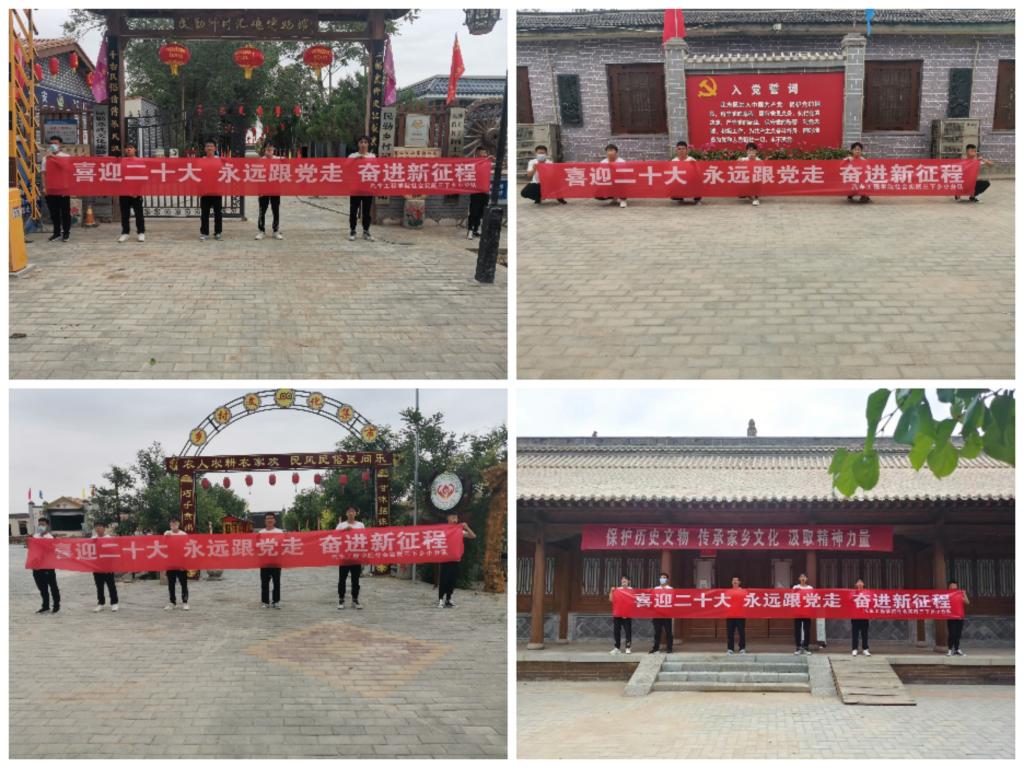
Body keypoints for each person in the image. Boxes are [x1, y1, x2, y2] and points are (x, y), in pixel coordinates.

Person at [438, 512, 476, 608]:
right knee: (444, 579)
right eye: (453, 517)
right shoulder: (443, 529)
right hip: (445, 558)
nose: (455, 520)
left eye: (456, 518)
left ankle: (448, 599)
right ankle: (441, 599)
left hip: (455, 559)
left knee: (452, 580)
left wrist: (466, 527)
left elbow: (473, 536)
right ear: (448, 518)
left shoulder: (459, 531)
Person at [42, 135, 72, 242]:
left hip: (63, 189)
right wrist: (44, 187)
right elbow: (44, 173)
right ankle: (56, 233)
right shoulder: (45, 158)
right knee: (54, 213)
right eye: (51, 143)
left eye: (55, 143)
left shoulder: (66, 156)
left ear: (60, 144)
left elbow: (67, 169)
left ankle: (66, 233)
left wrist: (53, 158)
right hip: (51, 189)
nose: (53, 145)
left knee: (65, 213)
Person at [335, 506, 364, 610]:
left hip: (356, 556)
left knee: (355, 580)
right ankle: (341, 599)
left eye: (353, 511)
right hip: (344, 556)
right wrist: (344, 531)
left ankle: (355, 599)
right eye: (349, 511)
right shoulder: (341, 525)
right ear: (346, 513)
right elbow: (334, 536)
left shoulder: (360, 525)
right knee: (342, 579)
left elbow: (364, 537)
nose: (351, 513)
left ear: (355, 513)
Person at [347, 135, 376, 242]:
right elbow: (345, 167)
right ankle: (353, 230)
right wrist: (355, 159)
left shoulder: (372, 156)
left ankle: (366, 231)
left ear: (368, 144)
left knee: (366, 211)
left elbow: (376, 170)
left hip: (367, 188)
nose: (363, 144)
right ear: (358, 144)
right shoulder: (352, 155)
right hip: (355, 187)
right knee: (353, 210)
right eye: (361, 142)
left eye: (365, 142)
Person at [117, 144, 146, 243]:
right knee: (125, 214)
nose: (128, 149)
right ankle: (125, 232)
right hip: (124, 191)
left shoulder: (140, 161)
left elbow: (142, 177)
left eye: (131, 147)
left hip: (136, 192)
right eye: (127, 148)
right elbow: (119, 176)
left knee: (139, 213)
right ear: (125, 150)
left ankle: (141, 232)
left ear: (135, 150)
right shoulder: (122, 161)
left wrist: (136, 190)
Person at [31, 517, 60, 614]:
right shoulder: (35, 536)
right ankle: (45, 606)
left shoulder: (50, 538)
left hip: (47, 566)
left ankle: (56, 605)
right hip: (36, 567)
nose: (41, 526)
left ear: (47, 526)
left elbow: (52, 552)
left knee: (52, 586)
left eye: (43, 524)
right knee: (42, 588)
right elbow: (32, 551)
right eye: (39, 524)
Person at [255, 143, 283, 241]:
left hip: (275, 188)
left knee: (275, 210)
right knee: (262, 210)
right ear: (265, 150)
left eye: (271, 149)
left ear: (273, 150)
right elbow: (257, 175)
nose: (269, 151)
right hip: (263, 189)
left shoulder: (279, 160)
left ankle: (276, 231)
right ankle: (261, 231)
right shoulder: (260, 161)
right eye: (267, 149)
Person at [91, 522, 119, 612]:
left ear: (104, 528)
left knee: (111, 585)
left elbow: (113, 551)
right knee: (99, 586)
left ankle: (114, 603)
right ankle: (101, 603)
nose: (98, 529)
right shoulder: (93, 539)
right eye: (96, 527)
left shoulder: (109, 538)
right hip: (97, 566)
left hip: (108, 566)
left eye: (99, 527)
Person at [258, 513, 284, 609]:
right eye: (267, 518)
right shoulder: (261, 532)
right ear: (265, 521)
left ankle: (276, 601)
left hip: (276, 561)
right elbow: (257, 545)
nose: (269, 520)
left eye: (271, 518)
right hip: (264, 561)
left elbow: (282, 545)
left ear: (274, 520)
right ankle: (265, 602)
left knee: (276, 582)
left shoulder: (279, 532)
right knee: (264, 583)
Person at [466, 146, 492, 240]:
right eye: (482, 152)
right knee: (474, 212)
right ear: (477, 153)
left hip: (485, 191)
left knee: (482, 212)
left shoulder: (487, 163)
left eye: (485, 152)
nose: (484, 154)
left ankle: (476, 230)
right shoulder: (473, 163)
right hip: (476, 191)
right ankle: (470, 230)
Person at [199, 141, 223, 241]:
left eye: (211, 146)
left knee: (218, 213)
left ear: (215, 148)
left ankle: (218, 232)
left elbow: (223, 173)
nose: (209, 148)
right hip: (205, 190)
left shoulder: (220, 160)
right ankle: (204, 233)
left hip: (216, 190)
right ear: (205, 149)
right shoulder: (201, 160)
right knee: (204, 213)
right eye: (207, 146)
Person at [164, 519, 189, 611]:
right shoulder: (167, 533)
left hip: (181, 561)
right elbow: (163, 545)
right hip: (170, 562)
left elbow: (187, 546)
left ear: (178, 524)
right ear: (170, 524)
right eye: (172, 524)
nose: (173, 525)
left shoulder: (183, 534)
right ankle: (172, 602)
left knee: (183, 583)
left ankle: (185, 602)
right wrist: (166, 537)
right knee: (171, 584)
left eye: (175, 523)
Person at [596, 143, 628, 208]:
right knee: (597, 194)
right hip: (608, 182)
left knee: (622, 184)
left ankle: (623, 200)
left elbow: (625, 175)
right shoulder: (603, 162)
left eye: (611, 150)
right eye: (608, 150)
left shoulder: (622, 161)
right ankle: (614, 197)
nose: (610, 152)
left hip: (620, 182)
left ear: (616, 152)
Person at [670, 141, 701, 205]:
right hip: (679, 181)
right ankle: (680, 198)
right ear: (676, 150)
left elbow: (698, 172)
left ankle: (697, 199)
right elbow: (670, 174)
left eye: (683, 149)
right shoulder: (673, 161)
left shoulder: (692, 160)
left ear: (687, 150)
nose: (681, 151)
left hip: (690, 181)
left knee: (698, 182)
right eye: (679, 149)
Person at [650, 572, 673, 653]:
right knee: (657, 632)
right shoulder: (656, 589)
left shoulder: (670, 589)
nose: (662, 579)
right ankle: (655, 648)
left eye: (664, 577)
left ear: (667, 580)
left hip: (667, 614)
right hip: (657, 614)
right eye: (661, 577)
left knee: (668, 632)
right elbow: (652, 599)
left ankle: (669, 648)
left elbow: (672, 600)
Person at [609, 575, 633, 654]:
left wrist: (626, 612)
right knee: (616, 631)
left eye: (625, 579)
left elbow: (632, 602)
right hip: (618, 614)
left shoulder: (631, 590)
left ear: (629, 581)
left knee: (628, 631)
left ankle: (628, 647)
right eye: (622, 579)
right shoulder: (617, 590)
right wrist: (611, 591)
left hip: (627, 614)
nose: (623, 580)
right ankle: (617, 647)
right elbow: (611, 600)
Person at [947, 579, 970, 656]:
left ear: (956, 586)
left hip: (959, 617)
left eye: (955, 586)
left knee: (958, 634)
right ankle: (950, 649)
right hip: (951, 617)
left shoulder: (959, 594)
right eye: (952, 586)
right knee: (952, 634)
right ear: (949, 587)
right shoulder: (947, 594)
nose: (953, 587)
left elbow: (967, 602)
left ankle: (957, 649)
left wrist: (964, 594)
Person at [792, 573, 813, 653]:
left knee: (807, 630)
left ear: (806, 579)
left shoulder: (810, 588)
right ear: (799, 579)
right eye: (801, 577)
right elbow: (793, 596)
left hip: (807, 611)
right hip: (798, 611)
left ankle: (806, 647)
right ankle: (798, 647)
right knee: (798, 630)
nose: (803, 578)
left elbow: (812, 598)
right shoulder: (796, 587)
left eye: (804, 577)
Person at [726, 576, 746, 655]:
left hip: (740, 615)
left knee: (741, 632)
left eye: (736, 580)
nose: (734, 581)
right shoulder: (728, 591)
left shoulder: (743, 591)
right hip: (730, 614)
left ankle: (742, 648)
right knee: (730, 632)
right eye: (733, 580)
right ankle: (730, 649)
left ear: (739, 582)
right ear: (731, 582)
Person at [850, 578, 870, 656]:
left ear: (863, 584)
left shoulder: (867, 592)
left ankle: (865, 649)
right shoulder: (852, 593)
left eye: (861, 582)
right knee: (855, 634)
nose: (860, 583)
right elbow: (849, 601)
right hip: (855, 616)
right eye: (858, 582)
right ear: (856, 584)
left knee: (865, 633)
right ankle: (854, 649)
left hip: (864, 616)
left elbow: (871, 601)